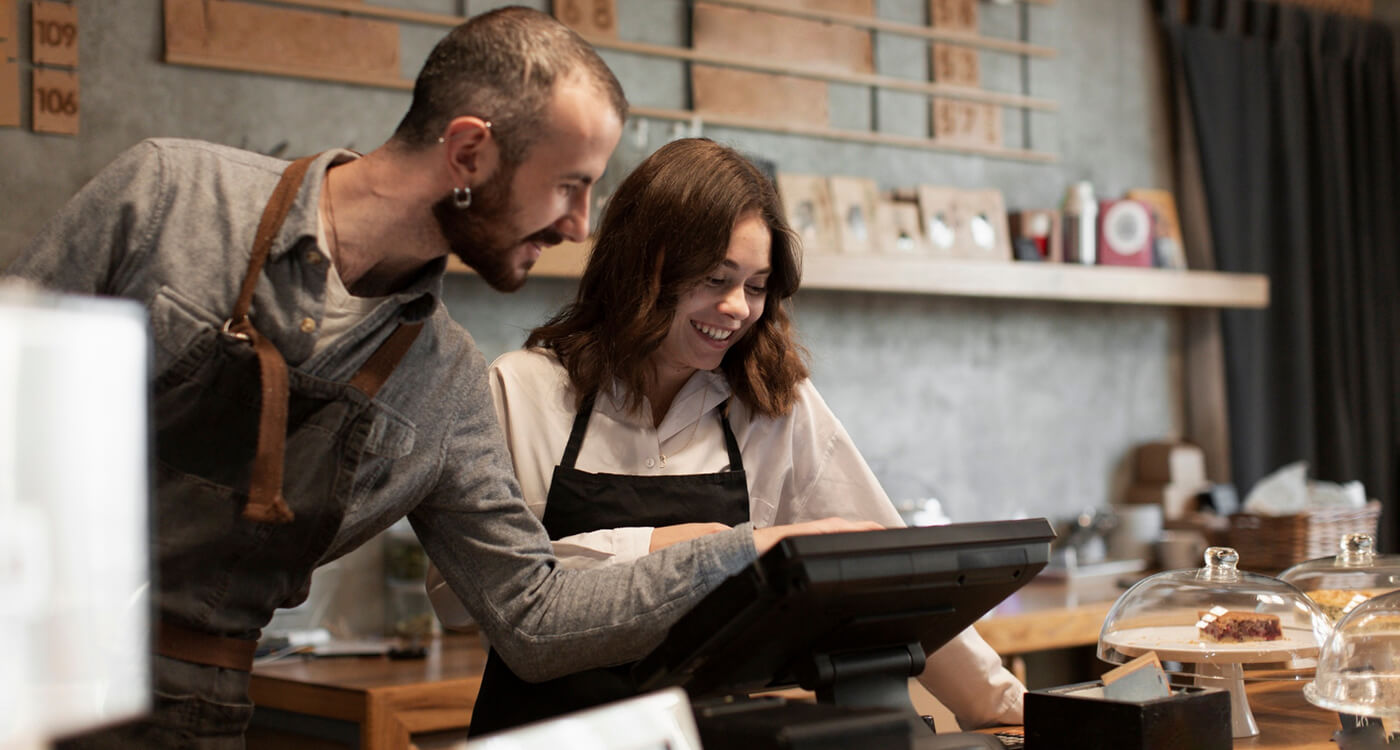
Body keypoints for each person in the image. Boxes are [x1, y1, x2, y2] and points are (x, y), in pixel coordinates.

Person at [5, 10, 870, 748]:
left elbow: (530, 617)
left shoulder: (445, 381)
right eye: (569, 186)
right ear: (469, 153)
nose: (578, 225)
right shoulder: (174, 198)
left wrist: (744, 554)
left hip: (196, 712)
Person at [426, 138, 1027, 735]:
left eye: (758, 285)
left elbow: (895, 577)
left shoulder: (772, 403)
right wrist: (681, 545)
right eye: (716, 278)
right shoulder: (522, 389)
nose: (737, 307)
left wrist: (1004, 706)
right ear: (643, 265)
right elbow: (461, 597)